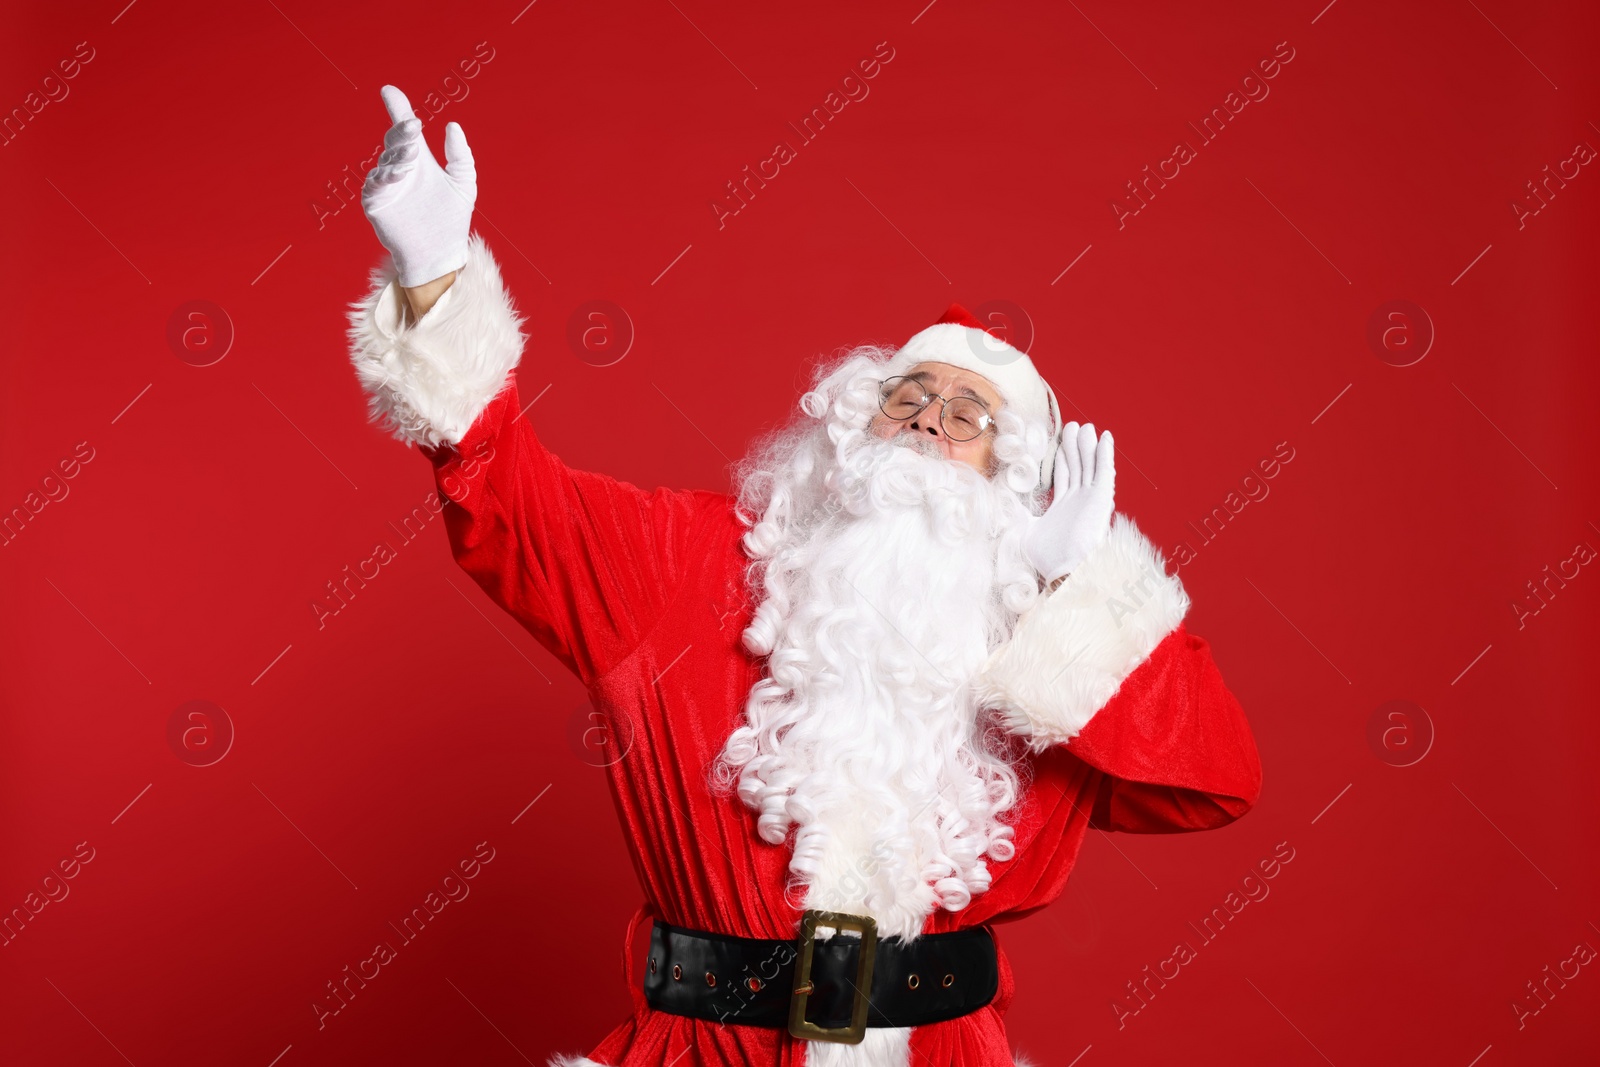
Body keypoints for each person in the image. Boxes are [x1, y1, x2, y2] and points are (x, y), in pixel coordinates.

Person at [346, 85, 1263, 1067]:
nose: (925, 419)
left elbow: (1209, 782)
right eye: (906, 394)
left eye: (967, 415)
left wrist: (1076, 589)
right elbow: (516, 506)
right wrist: (435, 272)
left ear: (1013, 486)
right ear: (846, 426)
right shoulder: (688, 561)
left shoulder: (1036, 654)